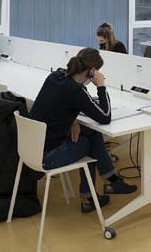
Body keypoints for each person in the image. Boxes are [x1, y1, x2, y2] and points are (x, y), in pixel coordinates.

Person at [29, 48, 136, 213]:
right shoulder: (76, 91)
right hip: (46, 156)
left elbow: (56, 104)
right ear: (91, 72)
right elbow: (105, 116)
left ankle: (109, 183)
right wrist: (101, 86)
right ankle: (93, 195)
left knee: (90, 132)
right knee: (90, 142)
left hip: (31, 147)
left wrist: (72, 119)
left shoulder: (55, 77)